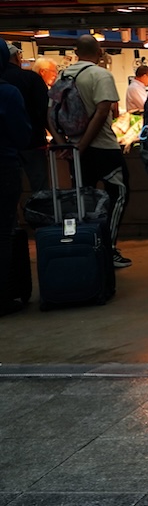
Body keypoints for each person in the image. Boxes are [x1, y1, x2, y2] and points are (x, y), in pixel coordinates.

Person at [48, 35, 132, 268]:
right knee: (119, 195)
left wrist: (65, 144)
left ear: (76, 52)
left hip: (76, 153)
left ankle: (88, 248)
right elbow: (103, 111)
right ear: (99, 51)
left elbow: (49, 115)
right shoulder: (100, 75)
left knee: (83, 201)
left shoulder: (63, 76)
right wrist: (83, 144)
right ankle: (109, 248)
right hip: (103, 148)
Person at [0, 42, 32, 316]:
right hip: (3, 167)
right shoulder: (8, 94)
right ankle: (2, 296)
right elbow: (22, 135)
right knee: (3, 232)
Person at [1, 42, 49, 193]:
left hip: (4, 149)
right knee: (39, 188)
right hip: (33, 144)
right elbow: (44, 110)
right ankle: (40, 215)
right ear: (17, 57)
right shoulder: (31, 79)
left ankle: (15, 216)